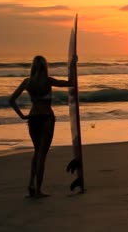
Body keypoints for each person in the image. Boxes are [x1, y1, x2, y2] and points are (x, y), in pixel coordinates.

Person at [9, 55, 76, 198]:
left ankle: (31, 186)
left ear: (32, 67)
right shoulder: (48, 81)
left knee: (36, 152)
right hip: (47, 119)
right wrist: (72, 65)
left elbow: (11, 100)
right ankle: (38, 190)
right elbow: (71, 83)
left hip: (33, 119)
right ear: (45, 67)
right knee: (42, 155)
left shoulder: (27, 82)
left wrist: (21, 115)